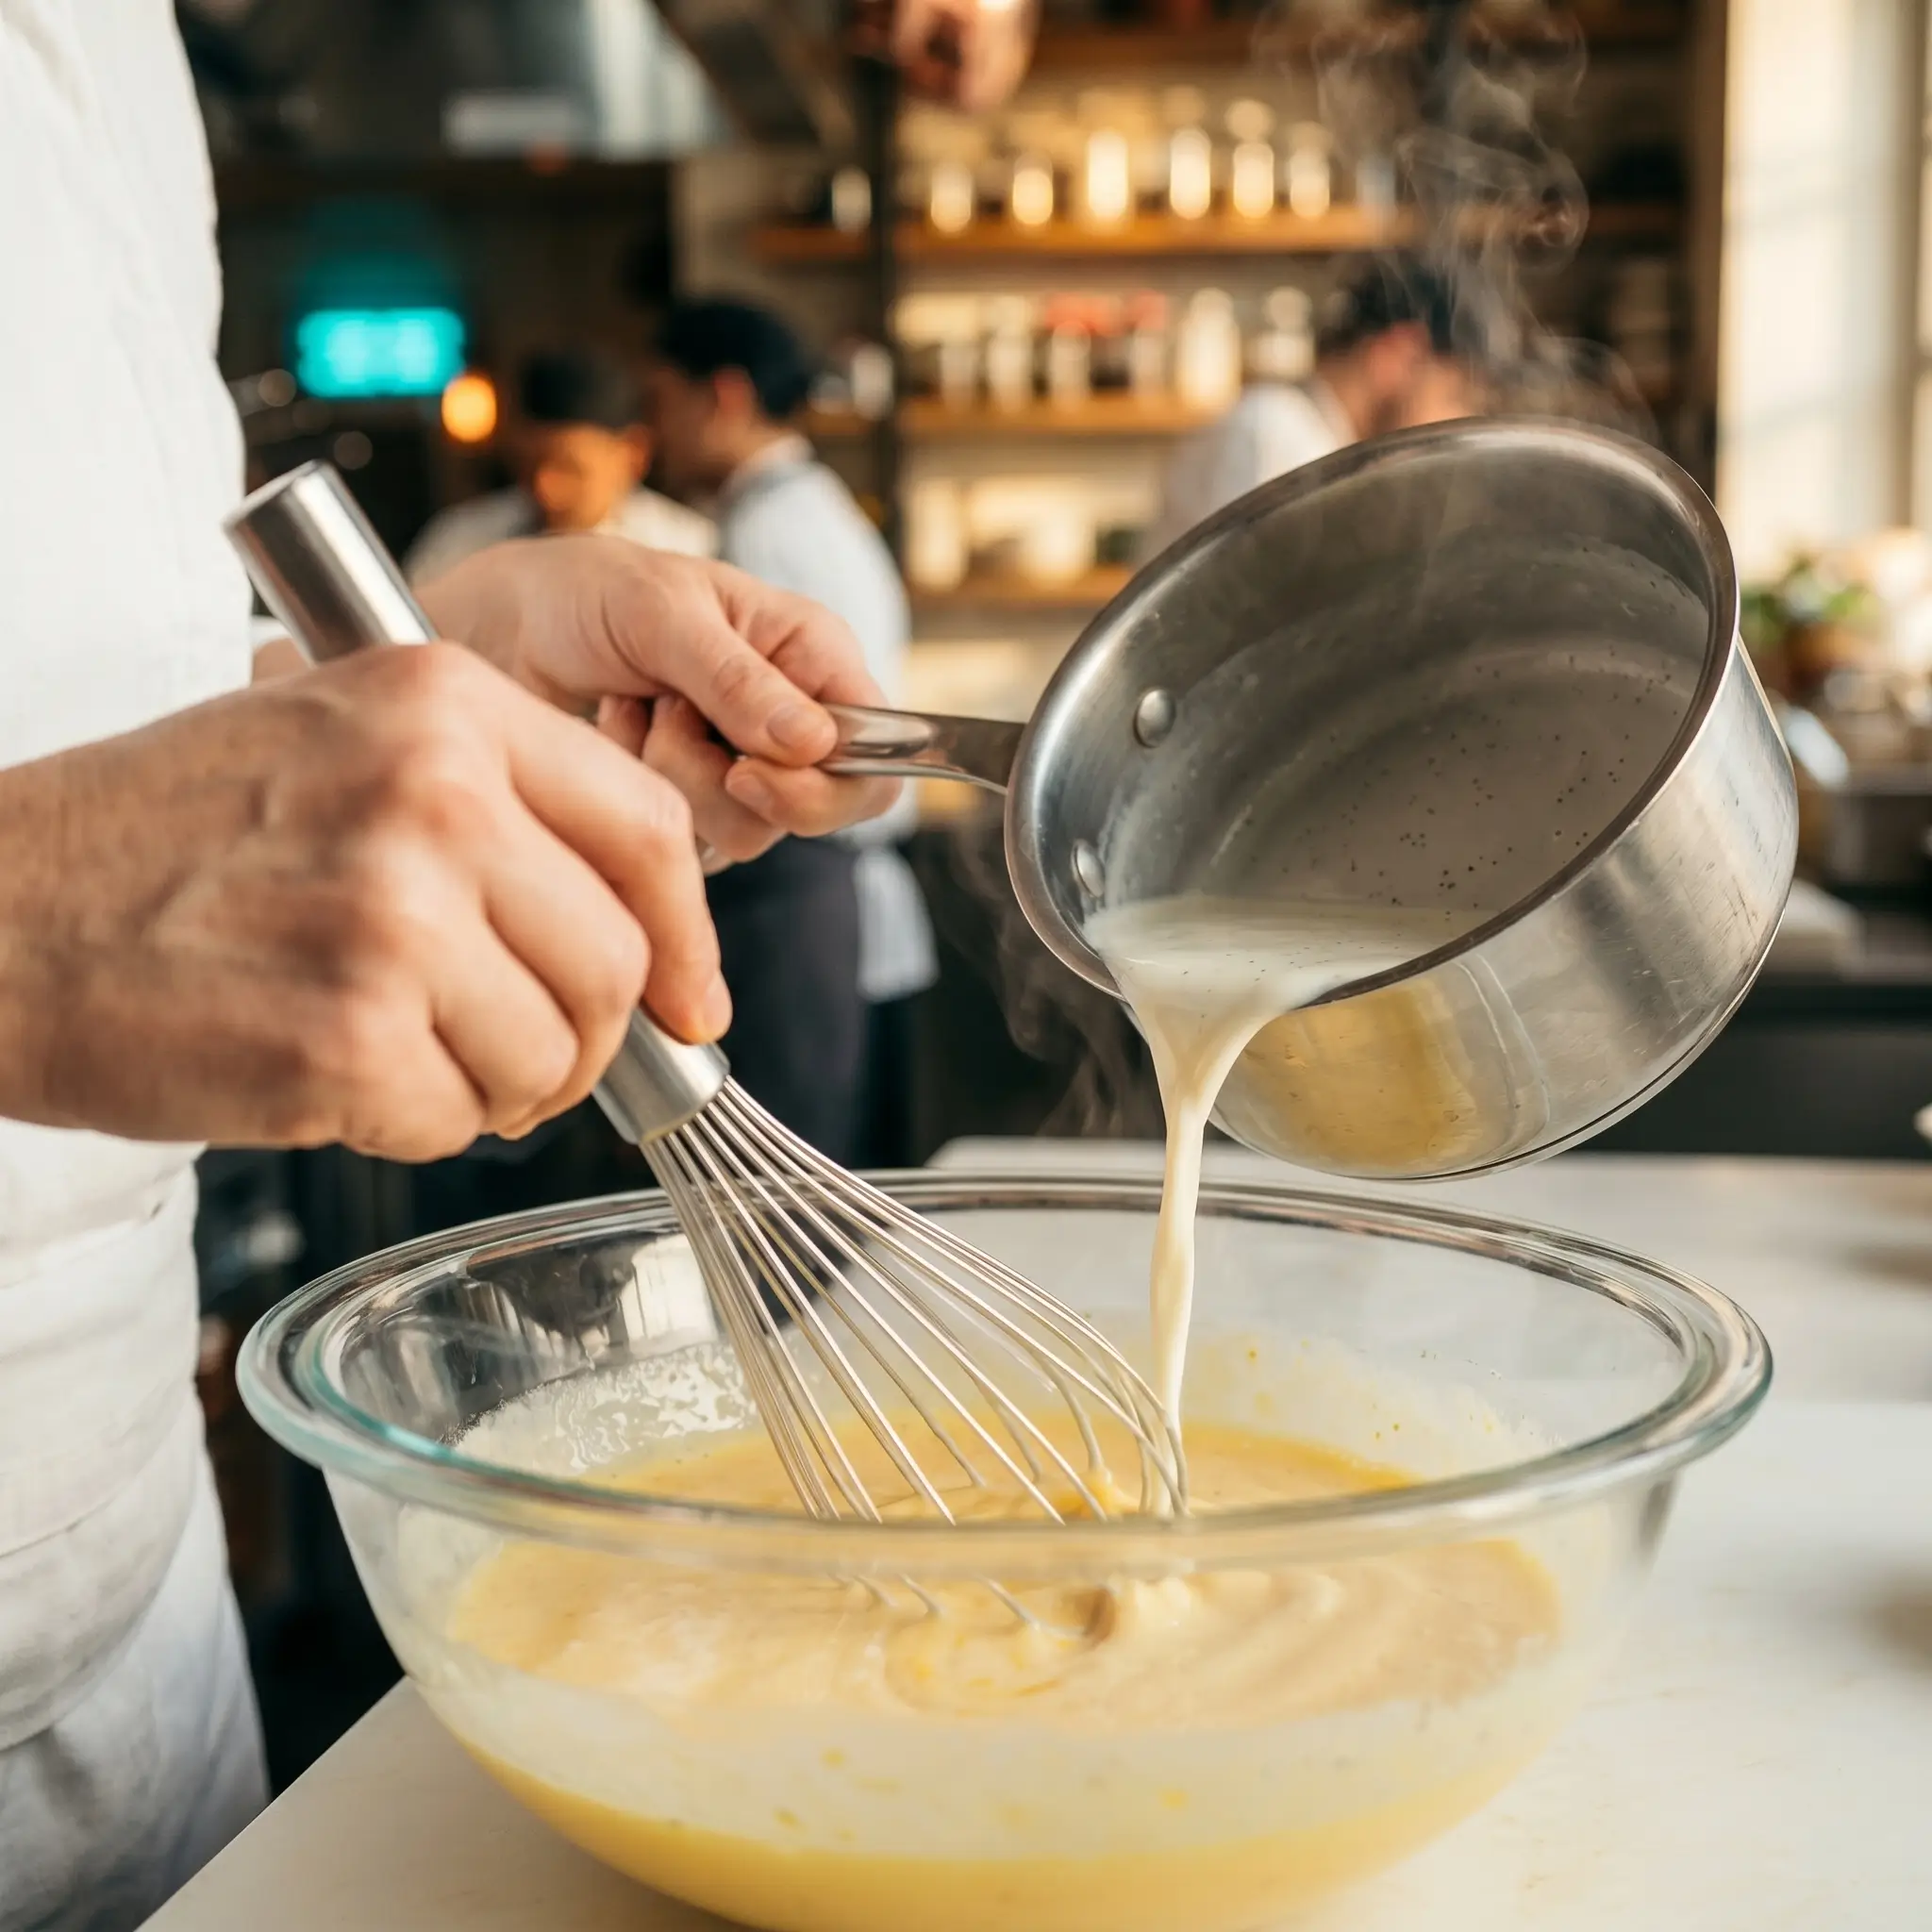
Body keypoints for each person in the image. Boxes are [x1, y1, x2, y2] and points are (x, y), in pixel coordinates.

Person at [0, 13, 899, 1929]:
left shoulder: (113, 47)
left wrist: (371, 689)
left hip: (137, 1645)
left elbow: (71, 691)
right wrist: (23, 916)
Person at [642, 298, 939, 1165]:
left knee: (785, 1207)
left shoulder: (766, 531)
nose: (654, 429)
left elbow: (752, 740)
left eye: (663, 400)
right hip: (811, 892)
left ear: (723, 397)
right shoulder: (816, 508)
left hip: (788, 894)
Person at [1138, 257, 1479, 562]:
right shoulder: (1274, 431)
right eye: (1454, 394)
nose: (1460, 420)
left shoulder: (1305, 436)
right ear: (1399, 355)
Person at [405, 347, 713, 587]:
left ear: (634, 454)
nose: (545, 488)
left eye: (571, 469)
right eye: (527, 465)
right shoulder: (458, 544)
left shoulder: (691, 552)